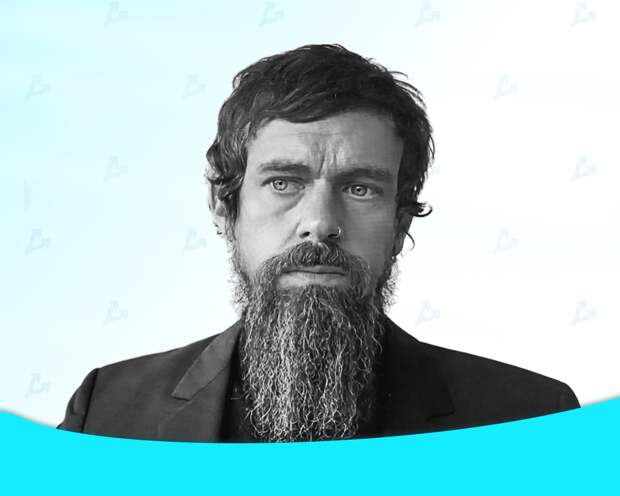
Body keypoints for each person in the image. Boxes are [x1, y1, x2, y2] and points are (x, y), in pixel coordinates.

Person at [58, 44, 579, 442]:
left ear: (400, 222)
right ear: (224, 206)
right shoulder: (105, 415)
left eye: (360, 188)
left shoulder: (530, 420)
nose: (320, 223)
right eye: (284, 182)